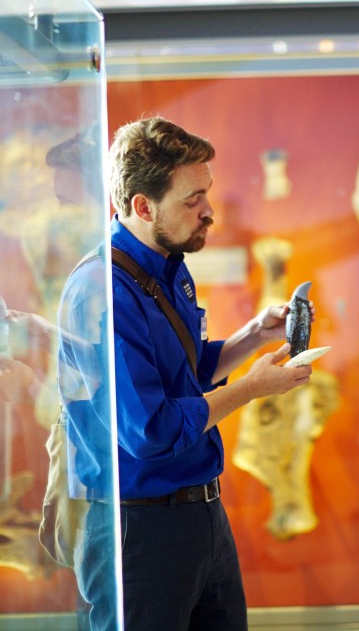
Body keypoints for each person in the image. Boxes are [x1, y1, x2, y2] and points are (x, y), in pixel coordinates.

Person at [59, 116, 313, 630]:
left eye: (208, 193)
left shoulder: (169, 266)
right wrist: (249, 390)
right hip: (139, 527)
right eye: (192, 199)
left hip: (203, 519)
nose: (209, 212)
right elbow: (149, 430)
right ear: (142, 206)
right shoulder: (103, 291)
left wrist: (253, 336)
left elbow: (184, 373)